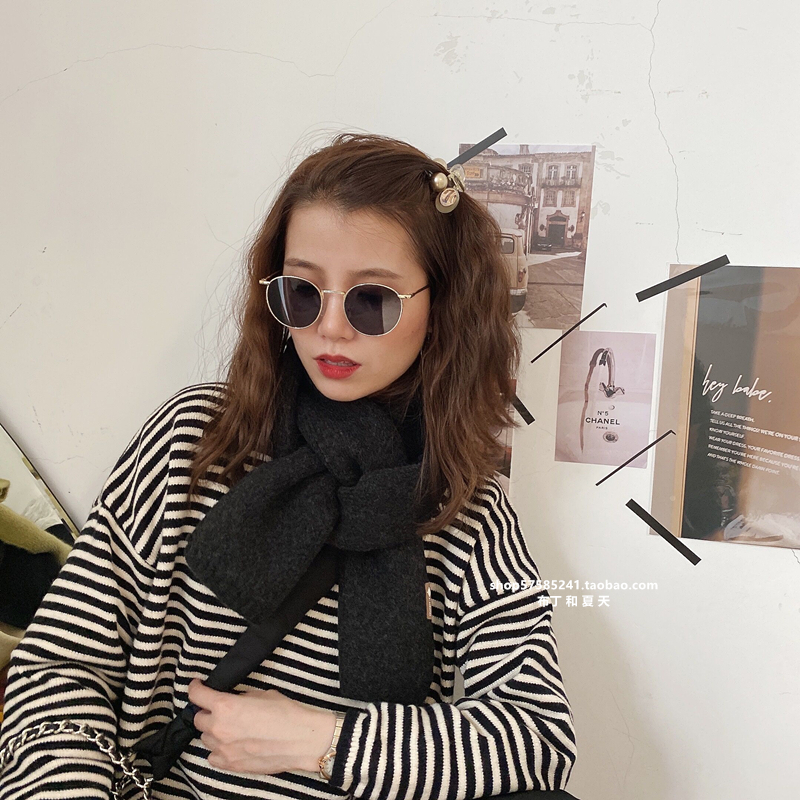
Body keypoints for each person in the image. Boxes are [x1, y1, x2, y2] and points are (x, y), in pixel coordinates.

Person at [0, 133, 578, 799]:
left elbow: (538, 739)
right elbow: (58, 670)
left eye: (372, 299)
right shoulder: (197, 442)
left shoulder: (464, 512)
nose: (330, 328)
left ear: (441, 306)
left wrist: (321, 741)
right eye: (302, 292)